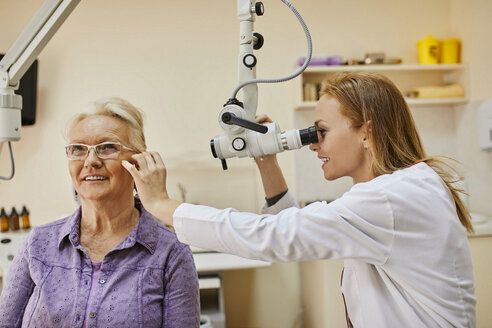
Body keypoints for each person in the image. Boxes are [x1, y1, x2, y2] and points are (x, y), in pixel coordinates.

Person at [123, 72, 476, 327]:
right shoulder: (400, 189)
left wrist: (162, 205)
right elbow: (295, 229)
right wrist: (267, 161)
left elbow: (275, 236)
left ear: (365, 132)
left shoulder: (390, 199)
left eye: (320, 132)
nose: (312, 144)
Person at [0, 97, 200, 328]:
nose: (91, 161)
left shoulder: (171, 253)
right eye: (78, 149)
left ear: (138, 161)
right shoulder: (38, 244)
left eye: (107, 147)